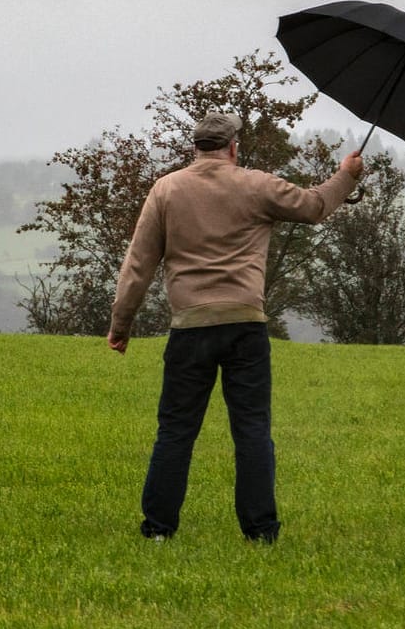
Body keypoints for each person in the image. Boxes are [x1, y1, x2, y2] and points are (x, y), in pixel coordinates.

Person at [106, 112, 364, 543]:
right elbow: (315, 206)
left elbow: (138, 264)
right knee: (252, 430)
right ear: (233, 148)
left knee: (176, 431)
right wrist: (346, 177)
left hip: (189, 328)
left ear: (196, 147)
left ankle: (158, 530)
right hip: (246, 326)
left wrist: (122, 324)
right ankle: (261, 531)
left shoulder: (166, 189)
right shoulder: (257, 184)